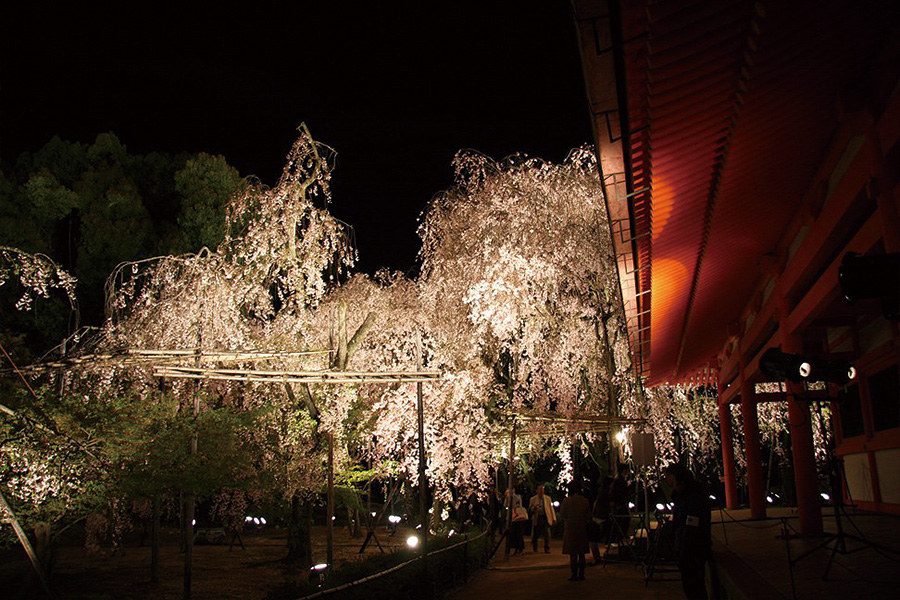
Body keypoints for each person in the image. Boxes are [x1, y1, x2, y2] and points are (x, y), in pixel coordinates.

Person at [665, 463, 712, 600]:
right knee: (691, 583)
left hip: (692, 546)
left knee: (694, 583)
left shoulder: (692, 496)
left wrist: (683, 543)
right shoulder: (684, 494)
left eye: (667, 476)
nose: (666, 480)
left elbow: (691, 522)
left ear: (674, 477)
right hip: (688, 545)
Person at [560, 479, 591, 581]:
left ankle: (574, 574)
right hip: (582, 528)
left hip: (570, 528)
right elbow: (588, 515)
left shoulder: (566, 501)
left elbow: (563, 515)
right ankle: (582, 573)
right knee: (581, 553)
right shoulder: (584, 501)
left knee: (573, 553)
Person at [528, 484, 557, 553]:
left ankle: (547, 548)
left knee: (547, 533)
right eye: (540, 489)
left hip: (545, 517)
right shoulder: (533, 499)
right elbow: (530, 509)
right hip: (537, 517)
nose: (541, 491)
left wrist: (554, 518)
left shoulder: (547, 498)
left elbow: (551, 508)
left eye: (542, 490)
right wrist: (534, 508)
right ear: (537, 490)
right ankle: (535, 547)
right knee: (536, 534)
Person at [610, 463, 632, 544]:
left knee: (622, 520)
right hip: (620, 503)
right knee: (623, 519)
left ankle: (619, 536)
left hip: (620, 503)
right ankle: (619, 536)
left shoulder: (619, 480)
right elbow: (619, 493)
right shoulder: (620, 481)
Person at [506, 487, 526, 555]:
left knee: (519, 533)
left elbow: (518, 504)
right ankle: (516, 548)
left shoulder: (518, 497)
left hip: (518, 517)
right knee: (513, 534)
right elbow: (505, 505)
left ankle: (520, 548)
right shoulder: (508, 497)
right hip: (512, 517)